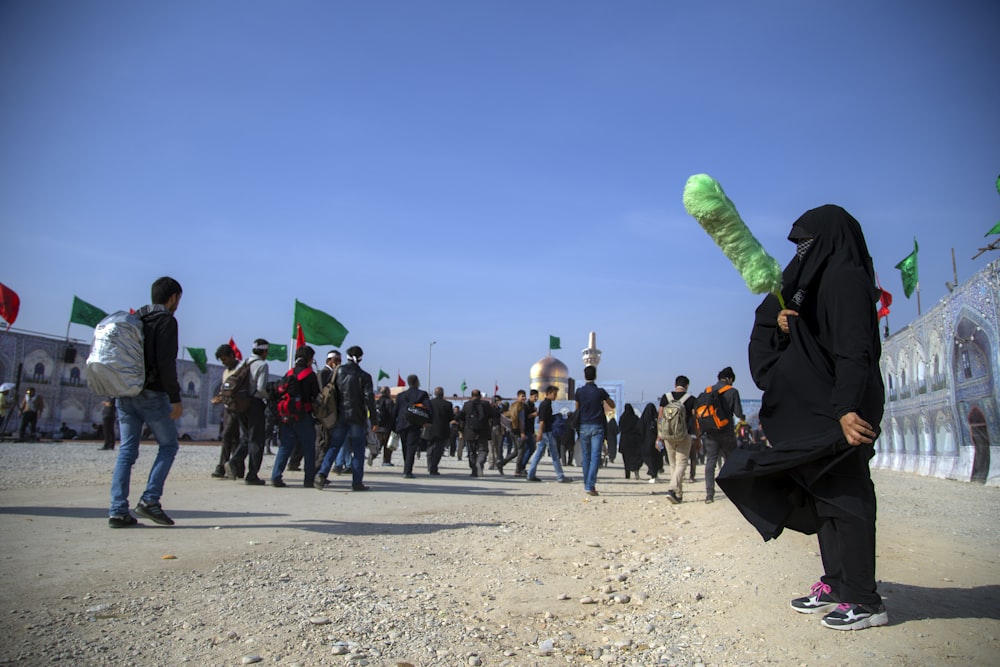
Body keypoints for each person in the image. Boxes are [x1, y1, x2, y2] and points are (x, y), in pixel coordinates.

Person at [718, 204, 887, 631]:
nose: (801, 250)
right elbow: (788, 332)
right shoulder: (806, 286)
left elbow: (853, 351)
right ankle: (836, 583)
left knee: (847, 500)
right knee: (823, 498)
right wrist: (781, 324)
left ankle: (865, 600)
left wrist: (847, 408)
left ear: (830, 240)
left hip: (841, 411)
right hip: (813, 410)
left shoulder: (846, 281)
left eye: (808, 242)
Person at [108, 276, 183, 528]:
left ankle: (117, 510)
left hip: (125, 393)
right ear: (172, 298)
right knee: (169, 445)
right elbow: (166, 363)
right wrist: (175, 398)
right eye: (178, 300)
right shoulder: (166, 321)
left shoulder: (135, 319)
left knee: (127, 451)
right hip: (151, 393)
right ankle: (150, 500)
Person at [315, 345, 377, 491]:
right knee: (358, 450)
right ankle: (356, 482)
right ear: (360, 358)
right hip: (357, 417)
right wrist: (374, 420)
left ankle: (322, 474)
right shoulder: (365, 376)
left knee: (334, 446)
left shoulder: (338, 371)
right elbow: (370, 399)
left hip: (340, 415)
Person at [271, 345, 320, 488]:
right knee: (309, 448)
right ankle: (309, 479)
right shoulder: (309, 375)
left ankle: (276, 476)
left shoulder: (289, 373)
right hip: (304, 416)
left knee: (285, 447)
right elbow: (316, 396)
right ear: (309, 359)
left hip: (286, 416)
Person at [224, 338, 271, 485]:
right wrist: (269, 398)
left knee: (246, 437)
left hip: (241, 405)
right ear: (264, 351)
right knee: (256, 440)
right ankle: (252, 475)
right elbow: (261, 388)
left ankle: (234, 461)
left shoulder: (244, 362)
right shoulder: (262, 365)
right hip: (254, 404)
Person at [701, 366, 744, 504]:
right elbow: (738, 413)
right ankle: (735, 492)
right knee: (731, 461)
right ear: (730, 379)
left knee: (710, 462)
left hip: (710, 432)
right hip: (727, 432)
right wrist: (742, 417)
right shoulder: (733, 392)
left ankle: (709, 494)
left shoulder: (708, 390)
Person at [575, 365, 614, 496]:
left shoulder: (579, 392)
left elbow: (577, 409)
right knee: (596, 456)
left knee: (586, 456)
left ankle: (587, 483)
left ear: (584, 375)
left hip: (584, 425)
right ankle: (590, 484)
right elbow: (612, 405)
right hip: (597, 426)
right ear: (595, 376)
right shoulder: (600, 392)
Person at [659, 376, 697, 503]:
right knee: (681, 464)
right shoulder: (691, 399)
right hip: (684, 435)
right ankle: (672, 488)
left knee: (673, 465)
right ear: (687, 386)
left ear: (675, 384)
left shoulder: (666, 397)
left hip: (668, 435)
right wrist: (697, 437)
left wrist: (659, 436)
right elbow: (695, 418)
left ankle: (678, 494)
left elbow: (660, 417)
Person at [526, 386, 572, 483]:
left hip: (545, 432)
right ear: (549, 393)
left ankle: (531, 474)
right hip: (546, 432)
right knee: (555, 455)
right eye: (554, 394)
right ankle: (560, 476)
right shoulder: (545, 405)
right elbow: (542, 421)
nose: (555, 396)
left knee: (538, 454)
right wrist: (540, 433)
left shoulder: (546, 404)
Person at [210, 344, 240, 477]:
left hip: (238, 408)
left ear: (232, 356)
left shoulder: (240, 370)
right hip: (228, 408)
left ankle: (222, 467)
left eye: (226, 360)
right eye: (222, 361)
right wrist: (219, 398)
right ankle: (238, 468)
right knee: (233, 439)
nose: (224, 363)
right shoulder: (226, 372)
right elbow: (225, 390)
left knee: (228, 436)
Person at [393, 374, 431, 479]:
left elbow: (395, 411)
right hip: (414, 424)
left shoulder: (400, 396)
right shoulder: (422, 394)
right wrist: (428, 421)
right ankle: (407, 470)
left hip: (401, 424)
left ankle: (407, 467)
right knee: (411, 447)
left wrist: (393, 426)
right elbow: (428, 408)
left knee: (405, 447)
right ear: (417, 382)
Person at [460, 389, 492, 477]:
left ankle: (474, 470)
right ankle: (479, 462)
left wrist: (461, 430)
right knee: (483, 450)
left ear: (471, 395)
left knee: (471, 452)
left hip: (469, 432)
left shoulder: (467, 405)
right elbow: (491, 415)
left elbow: (461, 417)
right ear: (480, 396)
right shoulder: (486, 404)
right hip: (483, 432)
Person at [426, 387, 454, 475]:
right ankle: (433, 467)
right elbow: (451, 418)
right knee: (439, 449)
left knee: (430, 448)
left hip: (430, 428)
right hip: (442, 429)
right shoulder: (447, 404)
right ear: (443, 394)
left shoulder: (429, 403)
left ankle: (429, 465)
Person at [373, 386, 395, 466]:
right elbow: (393, 414)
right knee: (388, 446)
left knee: (378, 444)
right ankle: (386, 461)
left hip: (377, 427)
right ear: (388, 392)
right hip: (387, 427)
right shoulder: (389, 402)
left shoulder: (377, 402)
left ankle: (373, 455)